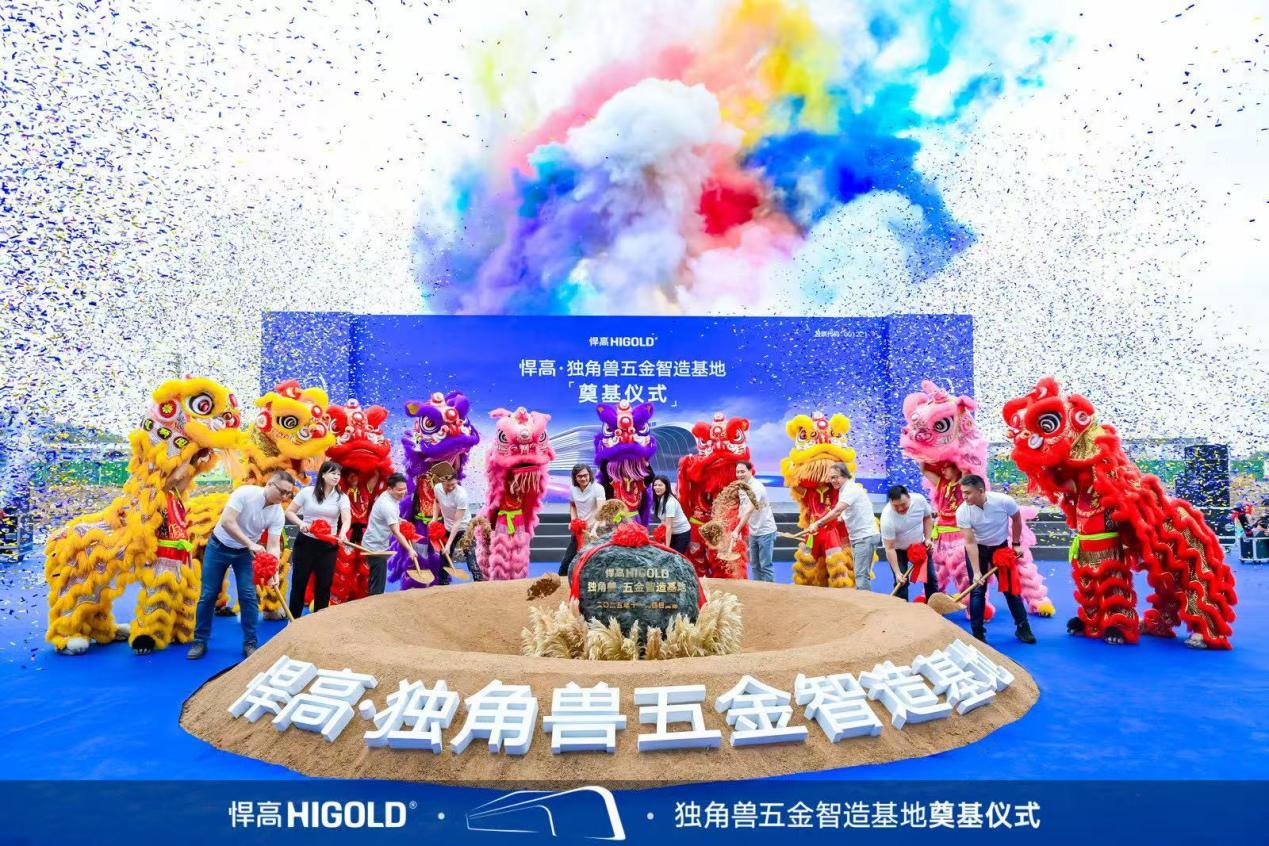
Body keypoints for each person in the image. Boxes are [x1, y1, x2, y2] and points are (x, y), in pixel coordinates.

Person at [188, 471, 296, 659]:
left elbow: (273, 545)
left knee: (248, 596)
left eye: (289, 493)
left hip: (245, 554)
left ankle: (250, 643)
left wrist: (273, 571)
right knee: (208, 594)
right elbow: (227, 522)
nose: (285, 497)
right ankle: (199, 641)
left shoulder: (278, 513)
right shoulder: (245, 493)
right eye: (282, 491)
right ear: (270, 484)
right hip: (218, 546)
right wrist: (250, 543)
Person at [956, 473, 1036, 644]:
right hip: (977, 549)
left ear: (980, 491)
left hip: (1000, 548)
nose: (964, 497)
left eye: (968, 493)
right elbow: (969, 542)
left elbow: (1016, 520)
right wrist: (976, 572)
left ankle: (1023, 628)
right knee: (977, 590)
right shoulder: (962, 511)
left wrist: (1016, 544)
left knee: (1011, 589)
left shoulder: (1003, 501)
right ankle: (978, 633)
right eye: (963, 493)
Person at [285, 460, 350, 618]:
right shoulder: (307, 492)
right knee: (299, 582)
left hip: (328, 545)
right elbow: (289, 512)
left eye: (338, 474)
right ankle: (293, 620)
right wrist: (301, 523)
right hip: (305, 543)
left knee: (324, 584)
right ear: (323, 474)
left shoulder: (341, 497)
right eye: (333, 473)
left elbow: (346, 519)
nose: (336, 477)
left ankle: (320, 621)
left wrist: (342, 533)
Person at [802, 463, 880, 590]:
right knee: (860, 574)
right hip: (859, 537)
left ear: (845, 476)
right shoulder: (843, 490)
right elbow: (842, 516)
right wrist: (824, 525)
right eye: (831, 478)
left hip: (865, 537)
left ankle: (865, 601)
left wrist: (818, 523)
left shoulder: (850, 490)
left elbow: (837, 511)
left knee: (861, 576)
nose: (833, 480)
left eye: (836, 477)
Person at [360, 472, 417, 595]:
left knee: (375, 578)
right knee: (378, 584)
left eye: (405, 489)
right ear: (390, 489)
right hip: (374, 548)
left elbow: (389, 517)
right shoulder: (387, 505)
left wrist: (400, 520)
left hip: (377, 543)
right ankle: (375, 602)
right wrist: (410, 549)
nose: (403, 492)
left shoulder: (388, 496)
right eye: (399, 490)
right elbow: (396, 532)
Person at [880, 485, 937, 601]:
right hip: (898, 550)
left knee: (931, 577)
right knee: (901, 581)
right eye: (896, 506)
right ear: (890, 502)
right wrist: (897, 573)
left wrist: (927, 538)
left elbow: (927, 517)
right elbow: (889, 548)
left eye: (903, 504)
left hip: (920, 546)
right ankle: (902, 608)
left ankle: (934, 605)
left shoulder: (919, 500)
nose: (900, 508)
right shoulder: (887, 517)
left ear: (909, 497)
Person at [431, 463, 482, 582]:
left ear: (457, 481)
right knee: (444, 555)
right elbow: (436, 502)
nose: (450, 487)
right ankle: (443, 583)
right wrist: (434, 519)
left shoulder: (461, 495)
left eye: (453, 484)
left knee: (469, 553)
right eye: (447, 485)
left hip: (464, 527)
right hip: (448, 526)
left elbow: (457, 522)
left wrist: (448, 544)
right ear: (442, 482)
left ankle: (479, 580)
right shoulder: (437, 488)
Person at [732, 460, 777, 581]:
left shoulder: (756, 487)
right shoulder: (742, 486)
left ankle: (770, 591)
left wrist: (737, 530)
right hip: (753, 532)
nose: (739, 474)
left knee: (765, 566)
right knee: (755, 565)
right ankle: (757, 589)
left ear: (750, 471)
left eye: (742, 471)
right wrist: (736, 527)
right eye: (737, 472)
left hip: (765, 532)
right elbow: (742, 509)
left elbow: (749, 510)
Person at [558, 464, 605, 576]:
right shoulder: (572, 489)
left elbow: (601, 511)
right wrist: (573, 521)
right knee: (567, 562)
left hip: (595, 531)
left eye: (585, 475)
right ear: (575, 477)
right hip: (579, 530)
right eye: (580, 476)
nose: (583, 478)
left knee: (594, 562)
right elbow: (572, 505)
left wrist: (594, 530)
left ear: (590, 475)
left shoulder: (598, 488)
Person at [651, 475, 691, 554]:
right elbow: (663, 520)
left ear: (666, 486)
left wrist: (667, 548)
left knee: (675, 557)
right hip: (672, 533)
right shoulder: (660, 498)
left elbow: (669, 527)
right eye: (655, 485)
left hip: (681, 534)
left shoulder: (670, 502)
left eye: (660, 485)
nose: (657, 487)